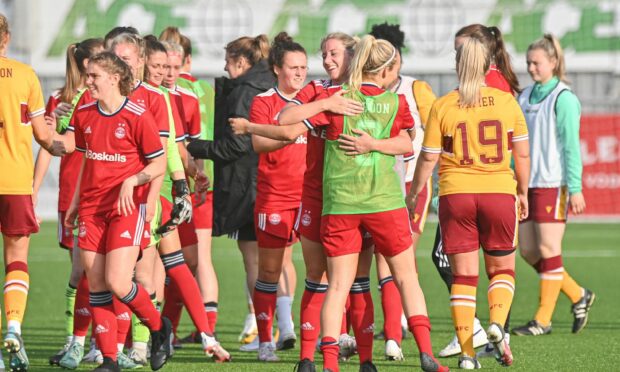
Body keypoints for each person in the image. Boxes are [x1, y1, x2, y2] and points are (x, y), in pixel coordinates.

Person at [279, 34, 447, 372]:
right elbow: (406, 143)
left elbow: (285, 120)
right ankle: (425, 354)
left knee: (336, 285)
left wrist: (334, 112)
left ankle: (329, 363)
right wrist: (375, 144)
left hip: (340, 205)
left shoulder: (336, 99)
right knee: (405, 278)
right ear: (386, 70)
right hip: (384, 203)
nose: (327, 60)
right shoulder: (396, 102)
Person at [406, 36, 530, 369]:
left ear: (457, 64)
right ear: (490, 64)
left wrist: (414, 192)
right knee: (502, 270)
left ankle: (467, 355)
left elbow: (428, 159)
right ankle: (498, 324)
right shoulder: (506, 102)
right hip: (499, 192)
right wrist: (523, 192)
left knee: (463, 279)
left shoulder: (444, 105)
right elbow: (522, 152)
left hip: (456, 195)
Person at [64, 51, 171, 372]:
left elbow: (159, 162)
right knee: (95, 283)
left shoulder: (137, 115)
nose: (88, 82)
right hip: (91, 210)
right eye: (87, 75)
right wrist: (73, 204)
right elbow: (86, 162)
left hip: (126, 209)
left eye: (94, 76)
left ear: (113, 78)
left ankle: (158, 327)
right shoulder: (84, 113)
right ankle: (110, 359)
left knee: (118, 282)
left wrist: (132, 181)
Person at [434, 23, 521, 359]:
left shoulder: (470, 94)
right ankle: (495, 331)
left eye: (461, 50)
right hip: (496, 190)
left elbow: (437, 151)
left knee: (462, 270)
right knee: (498, 267)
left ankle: (473, 339)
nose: (458, 57)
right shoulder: (499, 90)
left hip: (467, 189)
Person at [186, 34, 276, 346]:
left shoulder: (244, 90)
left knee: (255, 260)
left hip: (249, 184)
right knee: (278, 260)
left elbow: (237, 145)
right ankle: (280, 326)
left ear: (240, 62)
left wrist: (195, 147)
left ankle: (263, 327)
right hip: (273, 181)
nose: (225, 67)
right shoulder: (271, 81)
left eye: (228, 61)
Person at [0, 13, 71, 371]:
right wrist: (64, 144)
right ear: (6, 38)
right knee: (16, 259)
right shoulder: (25, 76)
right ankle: (12, 327)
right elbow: (44, 136)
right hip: (14, 181)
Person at [511, 34, 594, 336]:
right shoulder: (523, 97)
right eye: (528, 62)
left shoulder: (564, 98)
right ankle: (577, 294)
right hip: (526, 183)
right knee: (529, 251)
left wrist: (575, 187)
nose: (531, 68)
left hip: (552, 183)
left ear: (554, 63)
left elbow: (571, 146)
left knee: (548, 247)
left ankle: (542, 320)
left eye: (537, 63)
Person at [366, 22, 437, 361]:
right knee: (387, 259)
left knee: (399, 257)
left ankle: (397, 327)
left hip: (411, 184)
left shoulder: (416, 89)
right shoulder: (362, 92)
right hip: (377, 185)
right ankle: (396, 328)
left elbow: (438, 133)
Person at [31, 37, 104, 366]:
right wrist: (33, 190)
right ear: (86, 63)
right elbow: (49, 147)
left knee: (96, 270)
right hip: (71, 195)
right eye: (102, 57)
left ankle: (100, 341)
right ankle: (75, 339)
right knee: (79, 272)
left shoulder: (106, 97)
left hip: (99, 193)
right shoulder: (60, 99)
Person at [159, 26, 220, 342]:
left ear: (185, 64)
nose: (170, 73)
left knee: (189, 260)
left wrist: (198, 171)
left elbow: (189, 146)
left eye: (175, 67)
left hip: (188, 189)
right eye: (164, 67)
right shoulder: (148, 96)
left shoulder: (190, 98)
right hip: (157, 190)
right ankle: (138, 337)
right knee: (161, 265)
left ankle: (200, 329)